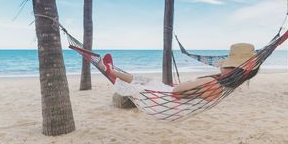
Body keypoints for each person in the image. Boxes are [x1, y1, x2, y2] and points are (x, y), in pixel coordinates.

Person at [99, 43, 257, 102]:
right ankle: (112, 71)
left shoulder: (211, 82)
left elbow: (176, 90)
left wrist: (188, 83)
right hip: (172, 100)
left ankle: (111, 72)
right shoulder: (224, 85)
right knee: (144, 79)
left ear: (231, 68)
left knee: (142, 81)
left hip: (165, 98)